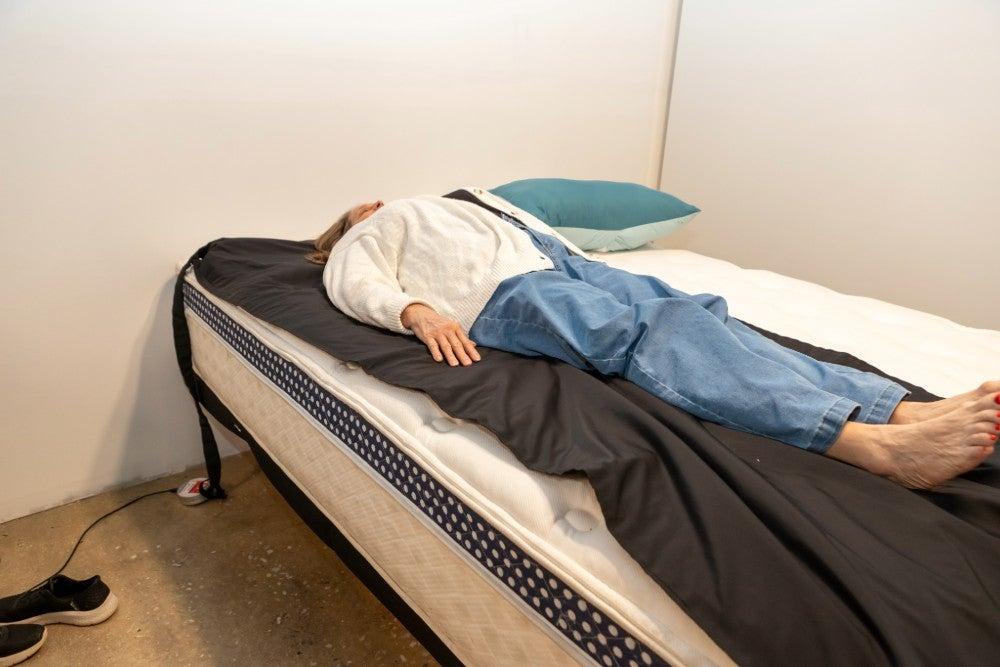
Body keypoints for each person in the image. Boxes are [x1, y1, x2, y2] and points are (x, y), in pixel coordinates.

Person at [307, 195, 999, 489]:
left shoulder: (453, 202)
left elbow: (521, 221)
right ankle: (863, 443)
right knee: (648, 335)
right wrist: (419, 312)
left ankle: (893, 409)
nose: (375, 200)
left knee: (704, 317)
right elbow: (350, 280)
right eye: (361, 207)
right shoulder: (370, 228)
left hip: (555, 261)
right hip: (504, 295)